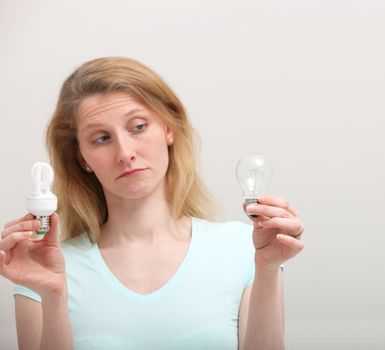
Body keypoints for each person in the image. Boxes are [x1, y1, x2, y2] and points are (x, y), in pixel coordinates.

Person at [0, 57, 304, 350]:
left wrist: (267, 269)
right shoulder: (45, 269)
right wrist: (53, 296)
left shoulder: (244, 250)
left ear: (169, 128)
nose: (125, 152)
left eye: (138, 127)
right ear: (82, 158)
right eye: (102, 138)